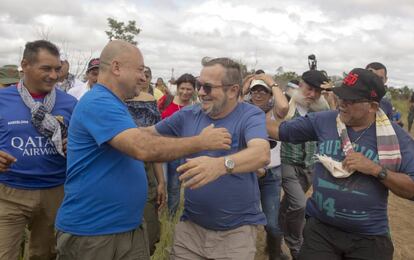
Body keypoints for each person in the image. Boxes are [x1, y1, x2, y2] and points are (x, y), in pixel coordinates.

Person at [54, 40, 231, 260]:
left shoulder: (115, 103)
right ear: (117, 68)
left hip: (125, 228)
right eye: (139, 69)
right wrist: (201, 142)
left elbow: (141, 137)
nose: (143, 77)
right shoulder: (98, 102)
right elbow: (141, 147)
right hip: (94, 234)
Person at [267, 68, 414, 260]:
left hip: (368, 238)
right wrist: (251, 114)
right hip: (320, 231)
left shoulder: (396, 137)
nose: (342, 103)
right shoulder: (324, 121)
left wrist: (377, 170)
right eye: (341, 96)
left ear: (372, 106)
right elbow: (280, 131)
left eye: (351, 100)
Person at [153, 57, 270, 260]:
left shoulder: (250, 116)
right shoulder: (188, 115)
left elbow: (261, 153)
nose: (200, 93)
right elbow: (148, 134)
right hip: (190, 231)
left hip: (236, 235)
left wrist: (221, 165)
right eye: (199, 85)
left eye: (207, 87)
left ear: (233, 91)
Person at [0, 40, 77, 260]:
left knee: (45, 255)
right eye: (46, 68)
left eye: (57, 69)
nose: (53, 75)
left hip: (55, 192)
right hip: (9, 193)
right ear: (25, 65)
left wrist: (75, 146)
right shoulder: (2, 99)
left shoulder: (70, 104)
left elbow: (87, 145)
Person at [278, 69, 331, 259]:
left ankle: (274, 237)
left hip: (308, 165)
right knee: (300, 204)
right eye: (310, 89)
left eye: (318, 91)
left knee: (287, 206)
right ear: (300, 85)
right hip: (286, 162)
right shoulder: (285, 104)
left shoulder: (322, 110)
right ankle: (296, 246)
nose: (313, 95)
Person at [243, 72, 289, 259]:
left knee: (271, 223)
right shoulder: (243, 110)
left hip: (271, 174)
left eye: (263, 91)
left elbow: (285, 105)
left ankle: (274, 254)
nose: (259, 94)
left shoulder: (275, 114)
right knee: (246, 219)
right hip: (249, 172)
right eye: (255, 91)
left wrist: (271, 81)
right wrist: (247, 84)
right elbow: (234, 99)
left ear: (271, 94)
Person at [126, 91, 166, 255]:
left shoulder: (148, 103)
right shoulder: (102, 103)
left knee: (148, 234)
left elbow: (154, 146)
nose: (142, 77)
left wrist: (161, 181)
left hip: (145, 173)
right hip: (118, 175)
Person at [157, 73, 196, 216]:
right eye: (182, 88)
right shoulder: (166, 100)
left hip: (182, 152)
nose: (185, 92)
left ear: (194, 90)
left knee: (175, 187)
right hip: (163, 149)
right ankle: (158, 213)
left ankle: (171, 217)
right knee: (162, 183)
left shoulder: (195, 108)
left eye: (189, 89)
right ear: (177, 88)